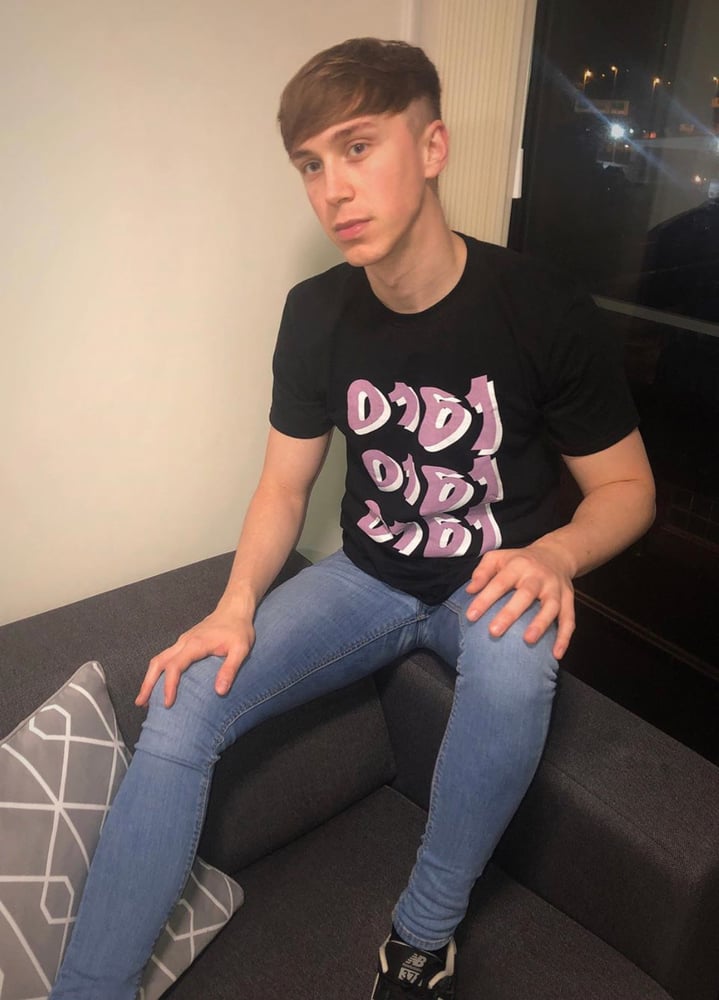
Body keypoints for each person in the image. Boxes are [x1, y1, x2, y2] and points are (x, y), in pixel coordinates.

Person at [51, 37, 655, 1000]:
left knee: (515, 661)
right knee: (185, 697)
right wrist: (235, 605)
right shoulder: (314, 313)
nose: (333, 188)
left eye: (359, 147)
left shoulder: (538, 306)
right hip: (368, 578)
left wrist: (555, 555)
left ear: (432, 146)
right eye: (310, 164)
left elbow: (627, 488)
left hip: (491, 582)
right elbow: (283, 488)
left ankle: (421, 936)